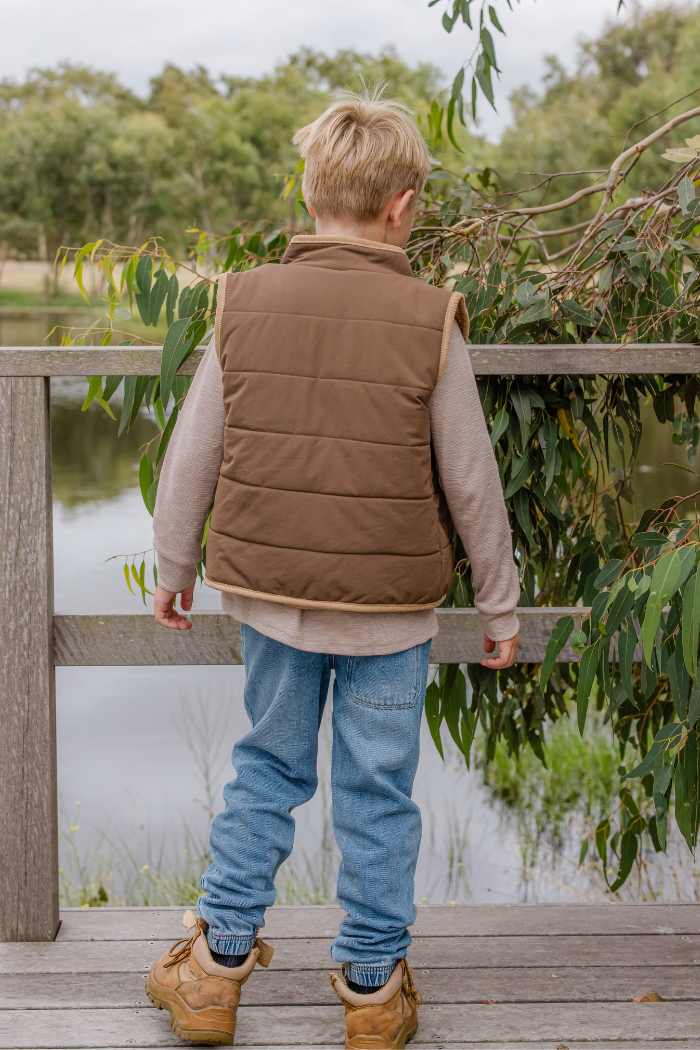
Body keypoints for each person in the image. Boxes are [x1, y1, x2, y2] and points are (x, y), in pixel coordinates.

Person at [145, 89, 520, 1049]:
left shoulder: (244, 297)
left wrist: (173, 563)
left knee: (266, 768)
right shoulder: (432, 316)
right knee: (377, 788)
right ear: (401, 205)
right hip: (392, 611)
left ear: (310, 192)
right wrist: (500, 603)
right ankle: (370, 989)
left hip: (269, 600)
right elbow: (471, 481)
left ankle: (216, 970)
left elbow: (193, 452)